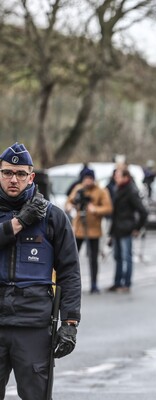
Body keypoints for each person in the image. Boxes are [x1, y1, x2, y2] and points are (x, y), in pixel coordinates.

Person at [0, 142, 81, 399]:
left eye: (20, 173)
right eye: (7, 173)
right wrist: (18, 223)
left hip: (33, 326)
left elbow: (69, 272)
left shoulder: (53, 218)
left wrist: (70, 322)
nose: (14, 179)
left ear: (31, 176)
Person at [65, 167, 113, 294]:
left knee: (93, 258)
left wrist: (95, 209)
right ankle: (69, 283)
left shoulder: (101, 191)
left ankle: (94, 283)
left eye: (90, 179)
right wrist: (70, 207)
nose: (88, 181)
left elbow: (108, 208)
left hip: (94, 230)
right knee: (72, 257)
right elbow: (69, 202)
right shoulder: (78, 189)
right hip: (79, 228)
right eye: (86, 179)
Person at [108, 167, 147, 293]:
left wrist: (137, 228)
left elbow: (143, 211)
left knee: (126, 256)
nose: (115, 178)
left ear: (125, 177)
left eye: (118, 176)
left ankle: (127, 283)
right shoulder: (117, 188)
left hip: (126, 228)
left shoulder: (131, 191)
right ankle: (117, 282)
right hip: (117, 229)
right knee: (117, 257)